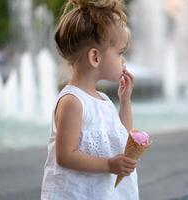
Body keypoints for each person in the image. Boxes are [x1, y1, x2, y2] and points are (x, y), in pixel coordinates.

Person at [41, 0, 140, 199]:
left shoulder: (102, 99)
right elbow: (65, 155)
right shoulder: (73, 102)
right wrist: (109, 165)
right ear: (95, 57)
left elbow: (122, 136)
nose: (123, 60)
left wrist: (125, 101)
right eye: (120, 52)